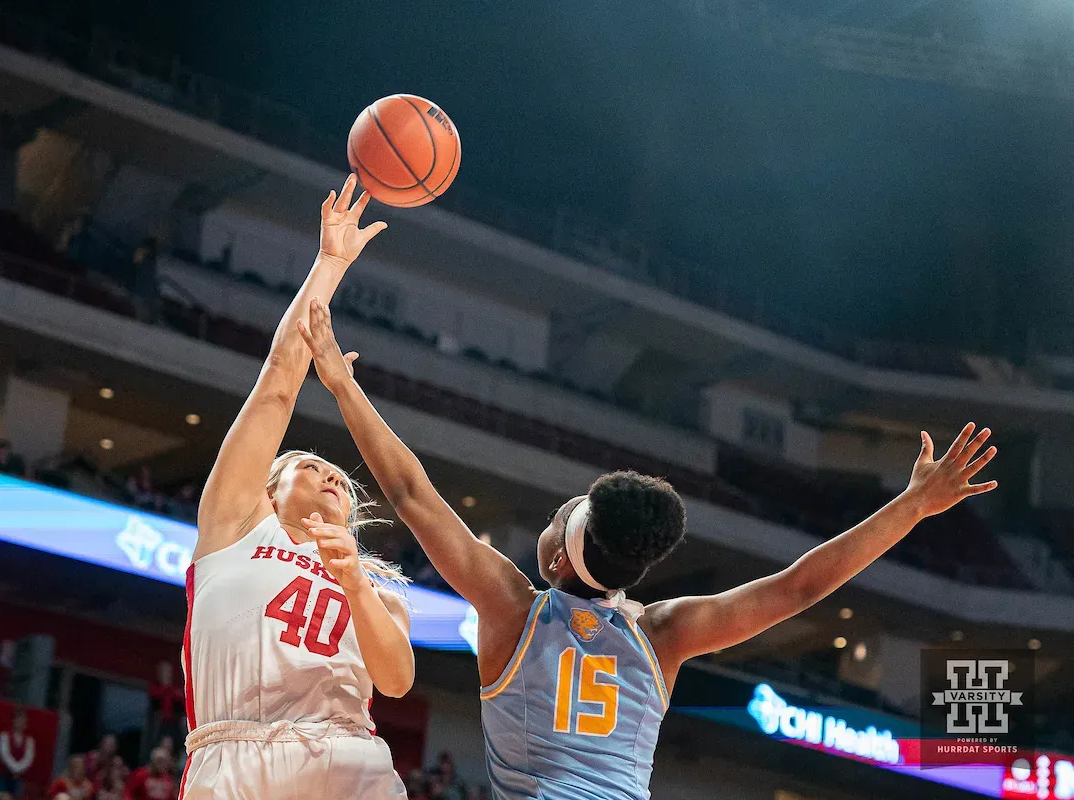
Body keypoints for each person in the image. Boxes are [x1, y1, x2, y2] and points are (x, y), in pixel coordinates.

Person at [299, 298, 1000, 800]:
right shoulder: (661, 636)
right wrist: (912, 505)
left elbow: (412, 494)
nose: (548, 520)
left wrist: (342, 383)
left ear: (556, 560)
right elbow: (798, 587)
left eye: (553, 518)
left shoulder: (514, 609)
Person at [179, 175, 412, 800]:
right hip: (236, 754)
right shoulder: (235, 524)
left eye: (338, 475)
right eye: (309, 465)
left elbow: (396, 680)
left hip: (349, 756)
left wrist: (357, 582)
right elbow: (280, 382)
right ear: (270, 488)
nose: (333, 473)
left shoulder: (376, 582)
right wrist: (330, 263)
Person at [0, 710, 33, 797]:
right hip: (3, 774)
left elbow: (28, 758)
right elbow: (4, 754)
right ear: (13, 720)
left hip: (19, 777)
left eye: (23, 720)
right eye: (19, 719)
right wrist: (14, 768)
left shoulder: (29, 740)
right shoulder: (4, 735)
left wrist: (18, 770)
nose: (21, 722)